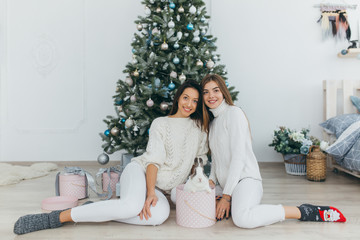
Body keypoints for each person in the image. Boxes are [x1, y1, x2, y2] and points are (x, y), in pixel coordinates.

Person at [14, 80, 209, 235]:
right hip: (140, 173)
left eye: (194, 101)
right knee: (132, 206)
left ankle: (100, 209)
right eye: (186, 98)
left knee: (159, 216)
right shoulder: (161, 123)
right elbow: (153, 162)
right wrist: (150, 193)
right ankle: (57, 218)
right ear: (178, 98)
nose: (189, 104)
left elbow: (198, 162)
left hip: (162, 189)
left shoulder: (199, 129)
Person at [200, 74, 346, 229]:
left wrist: (227, 196)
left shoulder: (234, 113)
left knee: (243, 219)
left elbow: (238, 157)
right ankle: (228, 202)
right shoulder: (213, 123)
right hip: (226, 184)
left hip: (245, 181)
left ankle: (303, 211)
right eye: (205, 92)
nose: (211, 96)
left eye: (215, 90)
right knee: (186, 194)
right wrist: (210, 182)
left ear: (223, 92)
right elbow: (215, 159)